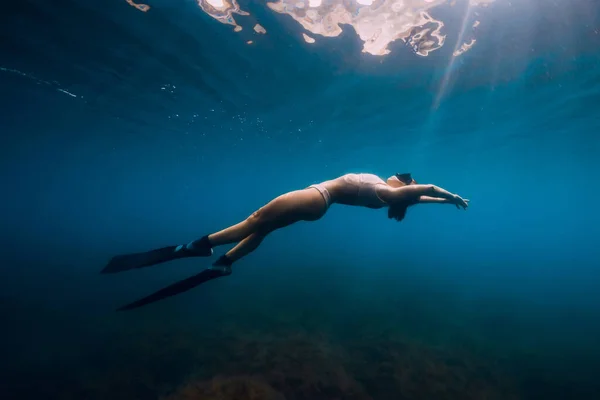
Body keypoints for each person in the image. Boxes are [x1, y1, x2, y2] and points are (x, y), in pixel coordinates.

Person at [103, 172, 469, 311]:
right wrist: (449, 201)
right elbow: (422, 197)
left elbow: (427, 188)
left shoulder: (385, 191)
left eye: (400, 178)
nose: (395, 174)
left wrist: (448, 195)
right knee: (262, 230)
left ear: (399, 185)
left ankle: (200, 245)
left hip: (315, 197)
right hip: (318, 207)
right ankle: (223, 263)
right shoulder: (392, 194)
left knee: (255, 220)